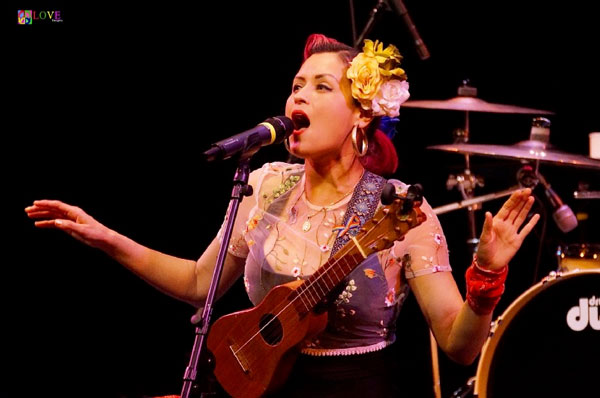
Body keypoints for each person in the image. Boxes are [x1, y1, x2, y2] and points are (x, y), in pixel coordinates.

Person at [25, 33, 539, 398]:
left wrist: (487, 278)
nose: (298, 96)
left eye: (320, 86)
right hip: (255, 384)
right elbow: (199, 283)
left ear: (362, 113)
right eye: (296, 85)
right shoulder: (267, 185)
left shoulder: (401, 209)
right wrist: (105, 237)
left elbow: (458, 347)